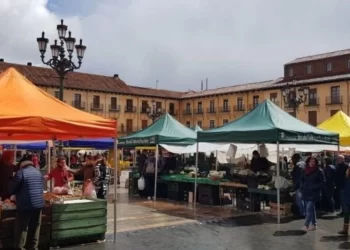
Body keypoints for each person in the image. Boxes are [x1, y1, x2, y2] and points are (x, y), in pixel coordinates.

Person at [10, 155, 44, 250]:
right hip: (39, 204)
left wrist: (11, 183)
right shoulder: (38, 172)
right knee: (35, 227)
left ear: (21, 165)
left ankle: (20, 247)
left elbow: (12, 189)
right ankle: (33, 247)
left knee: (22, 228)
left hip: (25, 204)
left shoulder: (20, 172)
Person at [300, 156, 326, 231]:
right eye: (310, 161)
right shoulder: (305, 170)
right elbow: (301, 179)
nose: (312, 163)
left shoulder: (319, 171)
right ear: (308, 162)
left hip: (314, 193)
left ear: (316, 162)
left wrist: (314, 187)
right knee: (311, 209)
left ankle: (306, 225)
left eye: (313, 161)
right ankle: (314, 225)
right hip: (305, 192)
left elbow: (323, 182)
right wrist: (302, 186)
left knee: (308, 208)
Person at [339, 166, 350, 235]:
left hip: (347, 197)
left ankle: (345, 230)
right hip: (346, 198)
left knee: (347, 214)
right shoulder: (347, 177)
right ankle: (345, 230)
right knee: (346, 214)